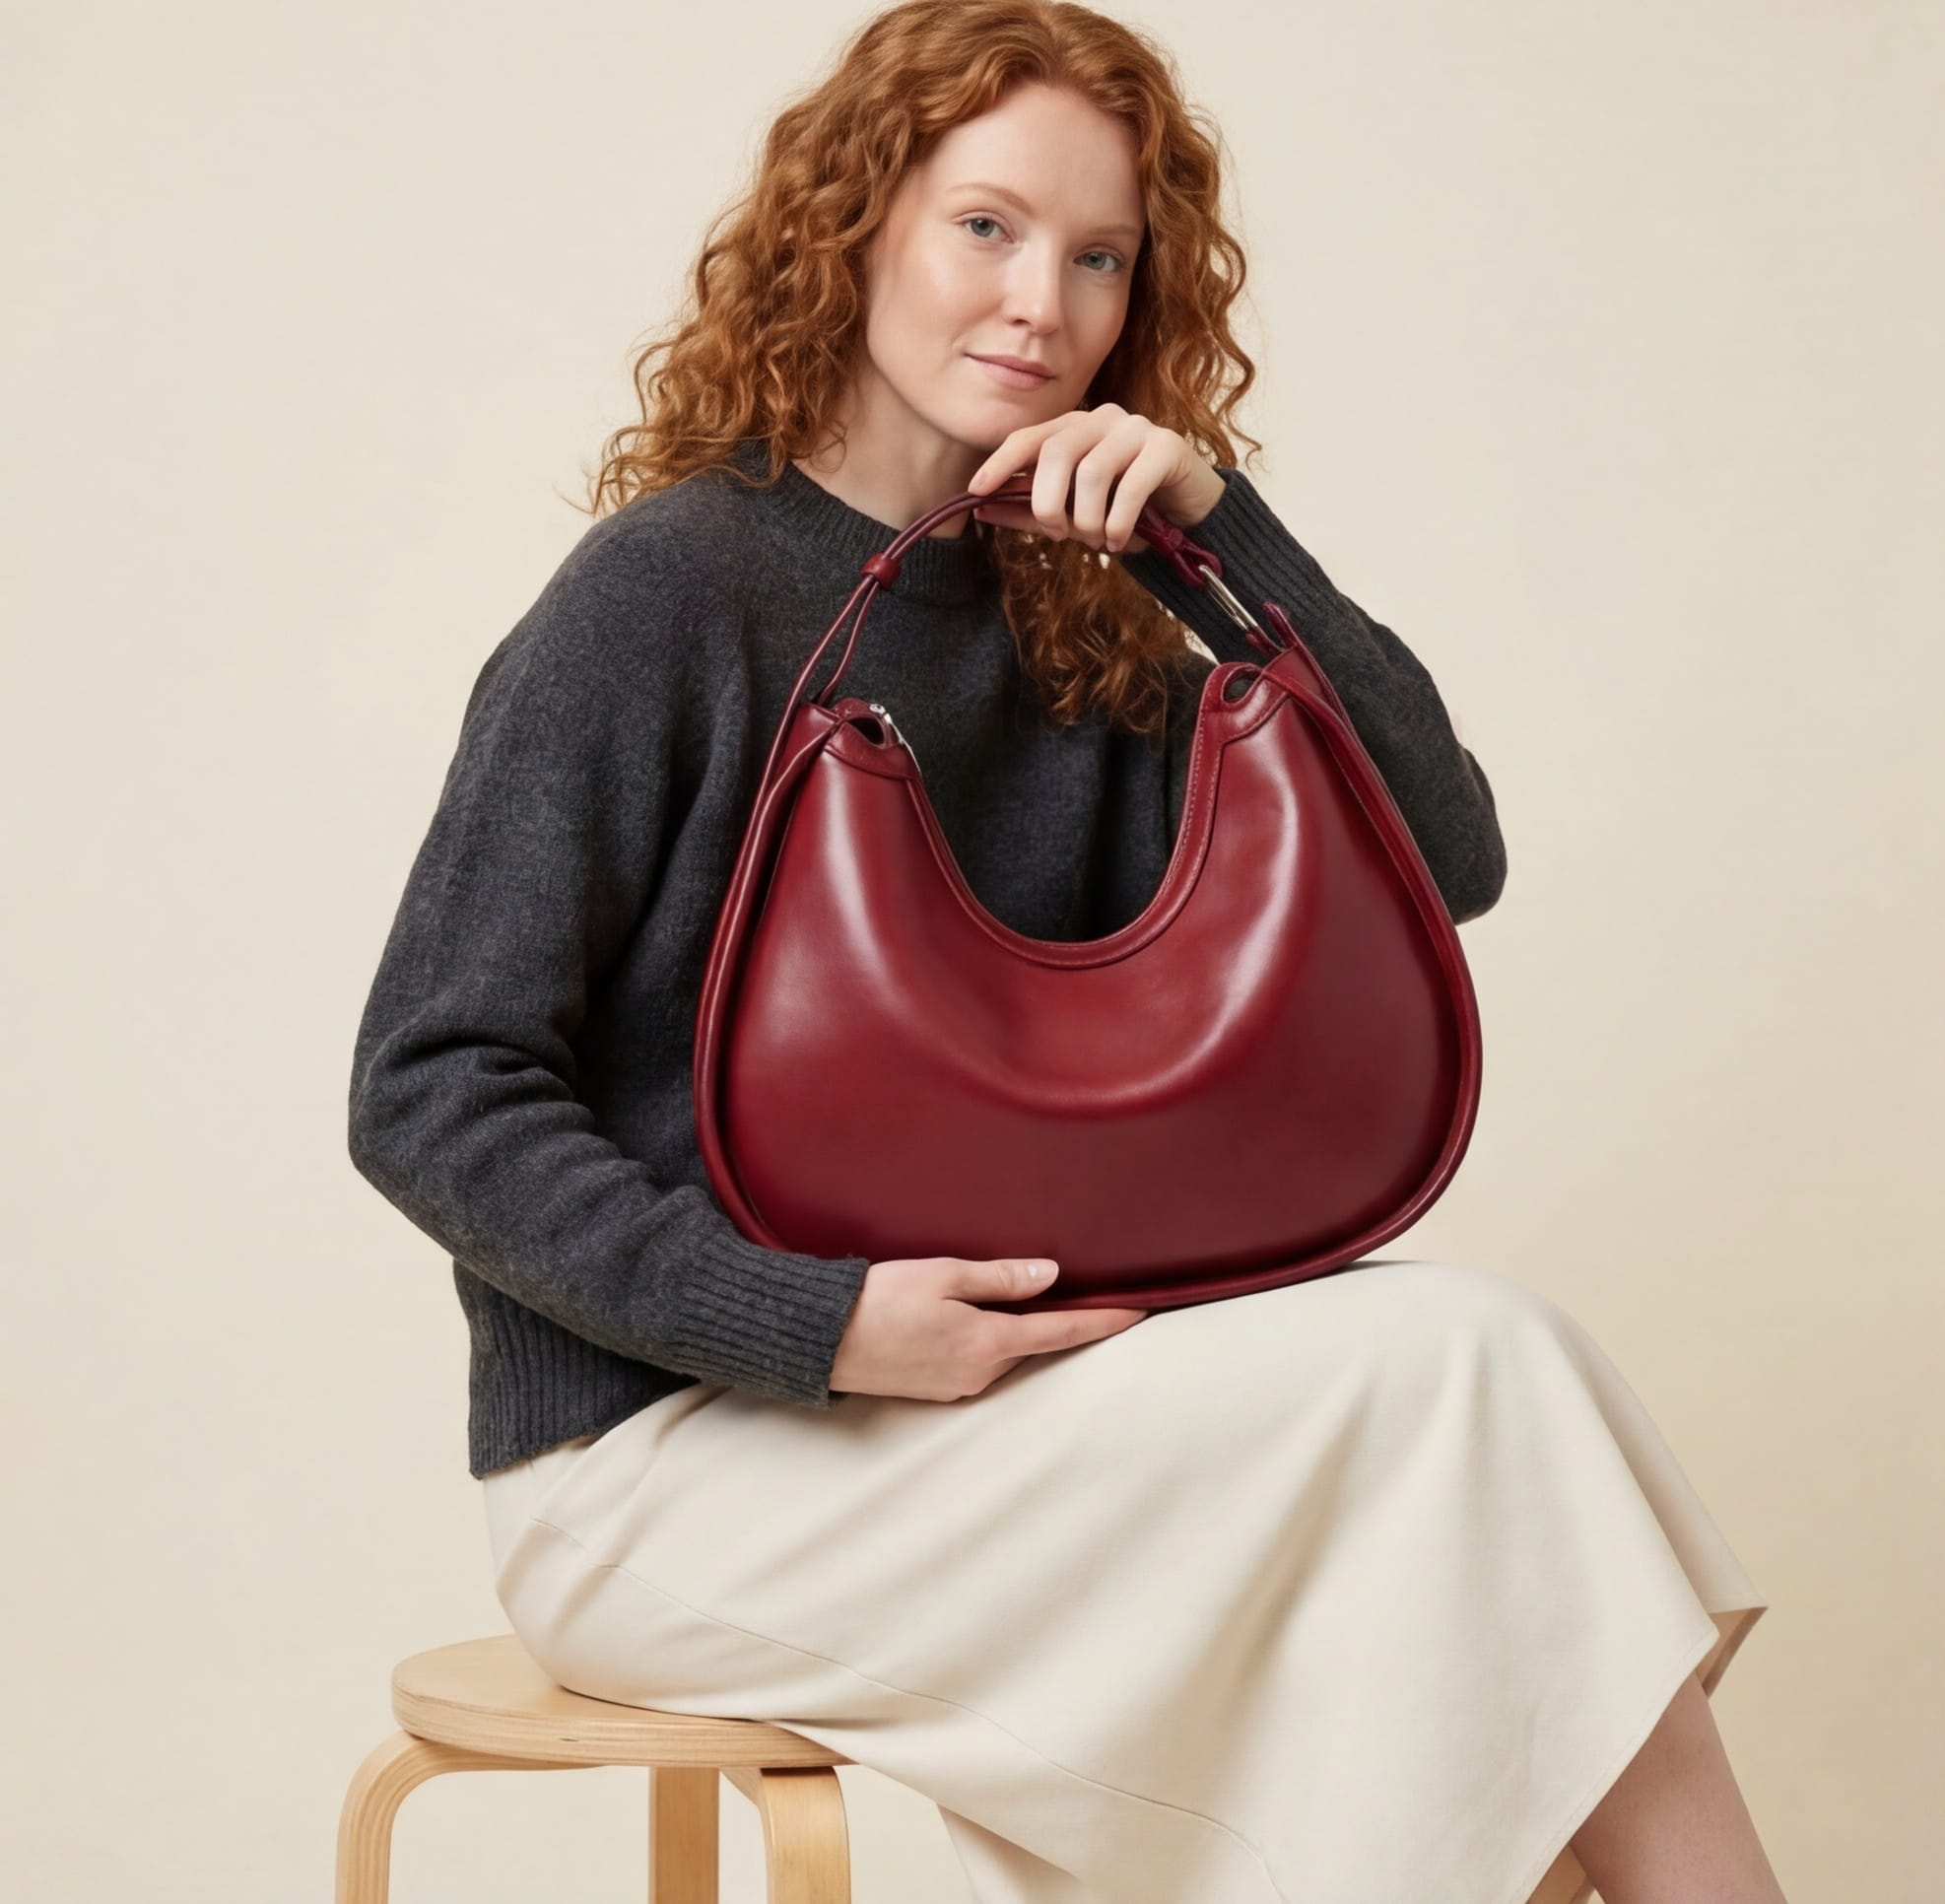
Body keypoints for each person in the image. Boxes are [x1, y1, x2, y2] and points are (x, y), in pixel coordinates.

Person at [346, 5, 1783, 1900]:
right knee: (1464, 1377)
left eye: (1098, 258)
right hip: (673, 1467)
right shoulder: (669, 595)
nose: (1043, 300)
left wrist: (1217, 525)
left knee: (1481, 1397)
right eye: (986, 229)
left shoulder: (1074, 619)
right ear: (852, 225)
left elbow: (1446, 857)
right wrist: (823, 1324)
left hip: (1005, 1424)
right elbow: (428, 1088)